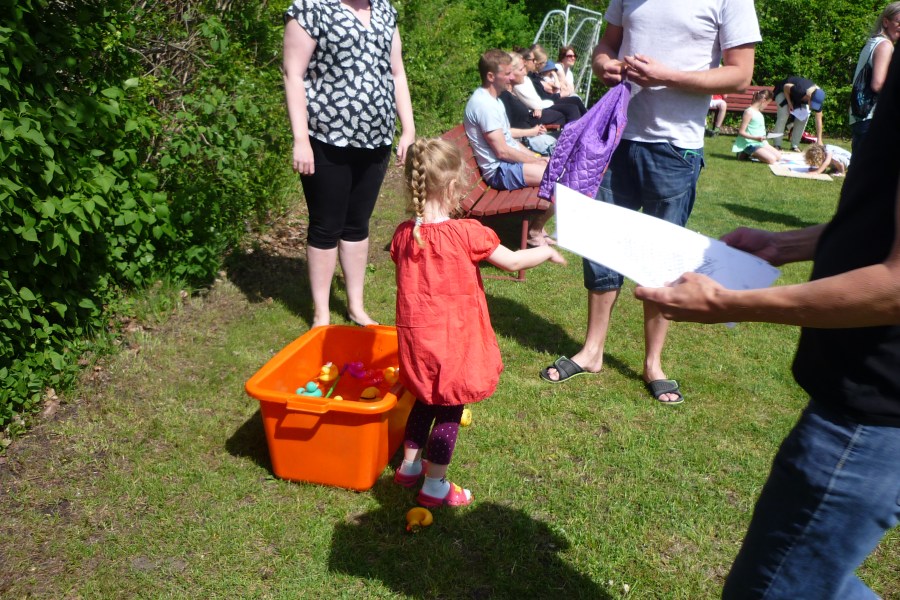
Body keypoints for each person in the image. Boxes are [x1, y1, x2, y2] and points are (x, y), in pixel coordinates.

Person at [634, 45, 900, 599]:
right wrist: (786, 244)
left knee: (771, 588)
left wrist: (733, 304)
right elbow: (879, 223)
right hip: (861, 403)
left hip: (872, 414)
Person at [539, 0, 760, 406]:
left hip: (676, 148)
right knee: (600, 249)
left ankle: (653, 364)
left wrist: (666, 77)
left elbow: (741, 73)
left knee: (663, 260)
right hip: (614, 136)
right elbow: (606, 44)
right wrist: (604, 64)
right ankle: (592, 351)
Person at [391, 138, 566, 507]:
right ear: (454, 186)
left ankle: (408, 468)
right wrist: (545, 251)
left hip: (417, 341)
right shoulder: (467, 233)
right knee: (450, 408)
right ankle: (435, 485)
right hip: (453, 341)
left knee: (424, 399)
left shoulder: (404, 235)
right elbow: (513, 261)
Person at [283, 0, 415, 329]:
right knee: (326, 225)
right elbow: (293, 74)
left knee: (357, 224)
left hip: (376, 140)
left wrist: (408, 129)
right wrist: (301, 139)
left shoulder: (385, 10)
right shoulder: (310, 8)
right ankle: (322, 314)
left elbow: (397, 73)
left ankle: (356, 307)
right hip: (325, 138)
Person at [464, 49, 553, 247]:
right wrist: (536, 161)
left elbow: (510, 142)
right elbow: (502, 151)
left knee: (553, 168)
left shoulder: (494, 100)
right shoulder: (484, 105)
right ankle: (534, 232)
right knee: (555, 178)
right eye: (507, 73)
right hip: (499, 171)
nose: (511, 77)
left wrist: (537, 157)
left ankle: (536, 227)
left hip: (505, 165)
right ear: (491, 76)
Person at [850, 2, 900, 151]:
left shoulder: (873, 41)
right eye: (899, 22)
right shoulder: (885, 45)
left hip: (860, 118)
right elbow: (878, 84)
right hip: (873, 118)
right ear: (886, 22)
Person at [499, 52, 559, 156]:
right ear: (510, 73)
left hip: (532, 139)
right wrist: (532, 131)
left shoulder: (513, 93)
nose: (525, 72)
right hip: (525, 145)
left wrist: (538, 129)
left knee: (571, 136)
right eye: (521, 69)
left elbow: (523, 120)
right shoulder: (504, 97)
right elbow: (505, 133)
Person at [512, 48, 585, 125]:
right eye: (534, 60)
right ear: (525, 62)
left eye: (574, 55)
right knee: (570, 109)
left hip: (543, 104)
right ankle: (582, 129)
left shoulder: (530, 77)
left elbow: (538, 98)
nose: (536, 62)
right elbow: (539, 100)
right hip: (539, 108)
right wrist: (558, 95)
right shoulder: (526, 79)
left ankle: (588, 125)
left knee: (574, 102)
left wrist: (539, 106)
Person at [771, 75, 825, 152]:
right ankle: (777, 144)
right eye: (812, 103)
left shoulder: (818, 99)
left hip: (797, 96)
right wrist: (789, 103)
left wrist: (819, 139)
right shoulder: (800, 90)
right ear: (809, 96)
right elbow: (786, 87)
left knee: (803, 118)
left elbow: (819, 120)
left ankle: (794, 145)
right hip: (783, 91)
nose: (813, 106)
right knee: (784, 114)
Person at [731, 89, 781, 164]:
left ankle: (753, 154)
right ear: (763, 100)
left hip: (760, 142)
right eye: (767, 103)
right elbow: (741, 132)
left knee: (779, 157)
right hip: (749, 143)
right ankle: (744, 152)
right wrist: (756, 138)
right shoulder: (749, 112)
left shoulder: (759, 113)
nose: (767, 106)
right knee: (772, 160)